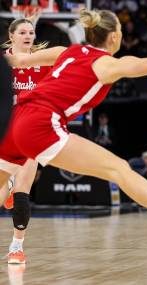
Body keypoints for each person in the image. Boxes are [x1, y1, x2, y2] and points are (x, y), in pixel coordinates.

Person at [1, 9, 147, 246]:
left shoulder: (67, 51)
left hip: (16, 118)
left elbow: (17, 60)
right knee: (118, 169)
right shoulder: (107, 65)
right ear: (113, 36)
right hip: (41, 122)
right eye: (121, 31)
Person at [0, 16, 51, 264]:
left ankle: (16, 247)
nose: (28, 36)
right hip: (2, 132)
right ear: (11, 36)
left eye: (31, 32)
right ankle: (7, 185)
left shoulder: (45, 63)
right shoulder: (4, 63)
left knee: (22, 193)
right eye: (22, 32)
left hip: (29, 133)